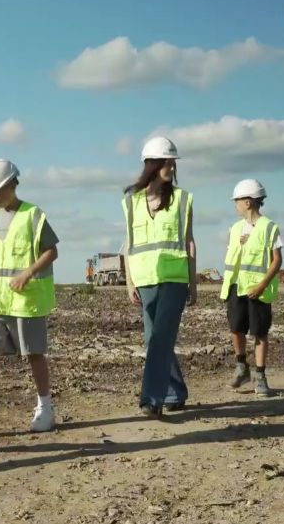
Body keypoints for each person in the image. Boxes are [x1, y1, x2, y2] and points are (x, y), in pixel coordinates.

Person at [0, 159, 60, 437]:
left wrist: (28, 273)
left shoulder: (33, 214)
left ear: (12, 184)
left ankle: (45, 408)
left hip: (26, 301)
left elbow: (51, 250)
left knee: (34, 355)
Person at [122, 136, 196, 419]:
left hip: (174, 279)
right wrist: (129, 282)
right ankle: (175, 392)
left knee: (161, 337)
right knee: (154, 338)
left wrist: (193, 282)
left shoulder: (182, 199)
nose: (171, 167)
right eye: (166, 162)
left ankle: (151, 399)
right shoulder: (131, 201)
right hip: (144, 279)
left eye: (173, 162)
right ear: (151, 165)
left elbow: (189, 242)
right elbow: (128, 244)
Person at [219, 179, 283, 397]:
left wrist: (262, 284)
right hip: (237, 286)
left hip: (258, 289)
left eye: (237, 200)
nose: (235, 204)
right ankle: (241, 367)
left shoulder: (269, 227)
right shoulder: (235, 228)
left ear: (247, 202)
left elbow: (276, 260)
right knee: (236, 328)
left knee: (259, 332)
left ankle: (261, 376)